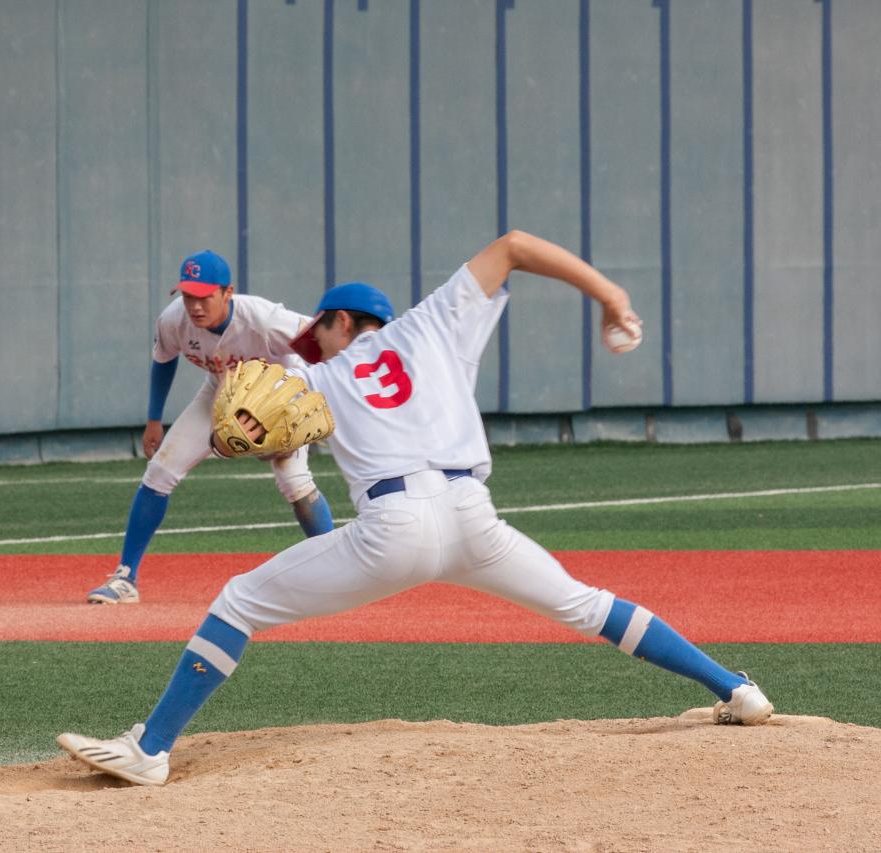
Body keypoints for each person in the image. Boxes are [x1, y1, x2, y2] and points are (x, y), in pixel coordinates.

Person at [57, 230, 773, 785]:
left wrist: (241, 431)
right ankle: (736, 688)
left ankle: (150, 749)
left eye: (319, 329)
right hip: (474, 518)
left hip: (393, 531)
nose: (311, 339)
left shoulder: (319, 370)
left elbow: (256, 428)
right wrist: (611, 296)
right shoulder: (435, 326)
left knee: (241, 600)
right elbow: (517, 246)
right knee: (588, 604)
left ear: (341, 320)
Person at [85, 249, 335, 603]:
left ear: (227, 293)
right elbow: (163, 359)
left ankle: (338, 573)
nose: (195, 305)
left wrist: (304, 398)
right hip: (220, 391)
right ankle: (125, 578)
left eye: (204, 296)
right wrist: (154, 420)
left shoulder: (263, 320)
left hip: (279, 397)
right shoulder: (174, 321)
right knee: (159, 472)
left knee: (294, 481)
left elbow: (321, 342)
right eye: (188, 295)